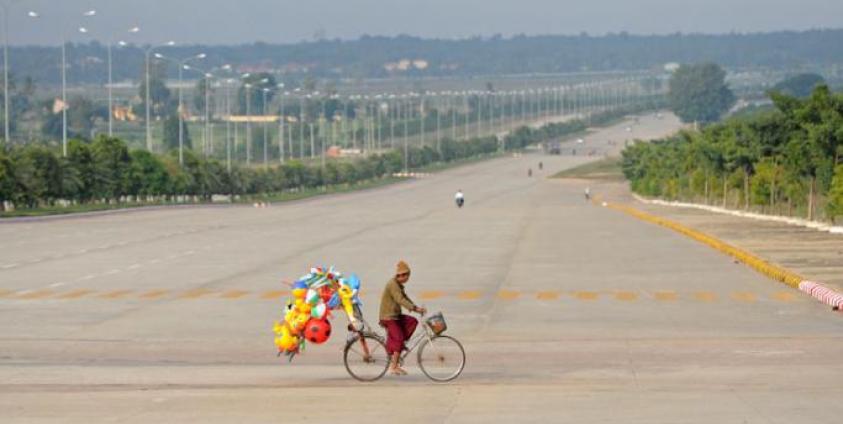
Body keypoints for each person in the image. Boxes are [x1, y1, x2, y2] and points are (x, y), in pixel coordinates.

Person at [379, 260, 426, 376]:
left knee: (412, 321)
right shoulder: (392, 285)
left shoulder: (398, 285)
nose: (407, 279)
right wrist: (415, 309)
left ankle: (398, 347)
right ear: (402, 275)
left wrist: (416, 308)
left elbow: (405, 298)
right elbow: (400, 300)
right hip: (388, 317)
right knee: (399, 339)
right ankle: (394, 366)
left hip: (395, 316)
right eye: (407, 276)